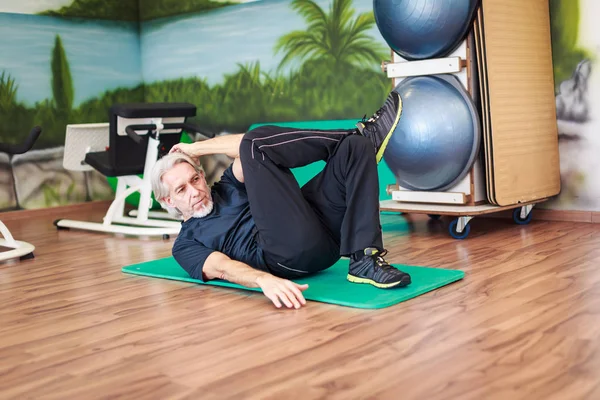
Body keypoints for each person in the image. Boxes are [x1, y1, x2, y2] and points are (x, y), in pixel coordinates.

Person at [151, 91, 411, 309]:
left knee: (353, 150)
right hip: (286, 256)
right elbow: (223, 268)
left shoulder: (227, 187)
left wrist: (197, 148)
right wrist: (263, 280)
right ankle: (360, 135)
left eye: (195, 180)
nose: (195, 191)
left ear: (201, 175)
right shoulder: (185, 244)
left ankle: (364, 260)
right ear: (169, 201)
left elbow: (246, 144)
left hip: (326, 238)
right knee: (258, 145)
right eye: (181, 190)